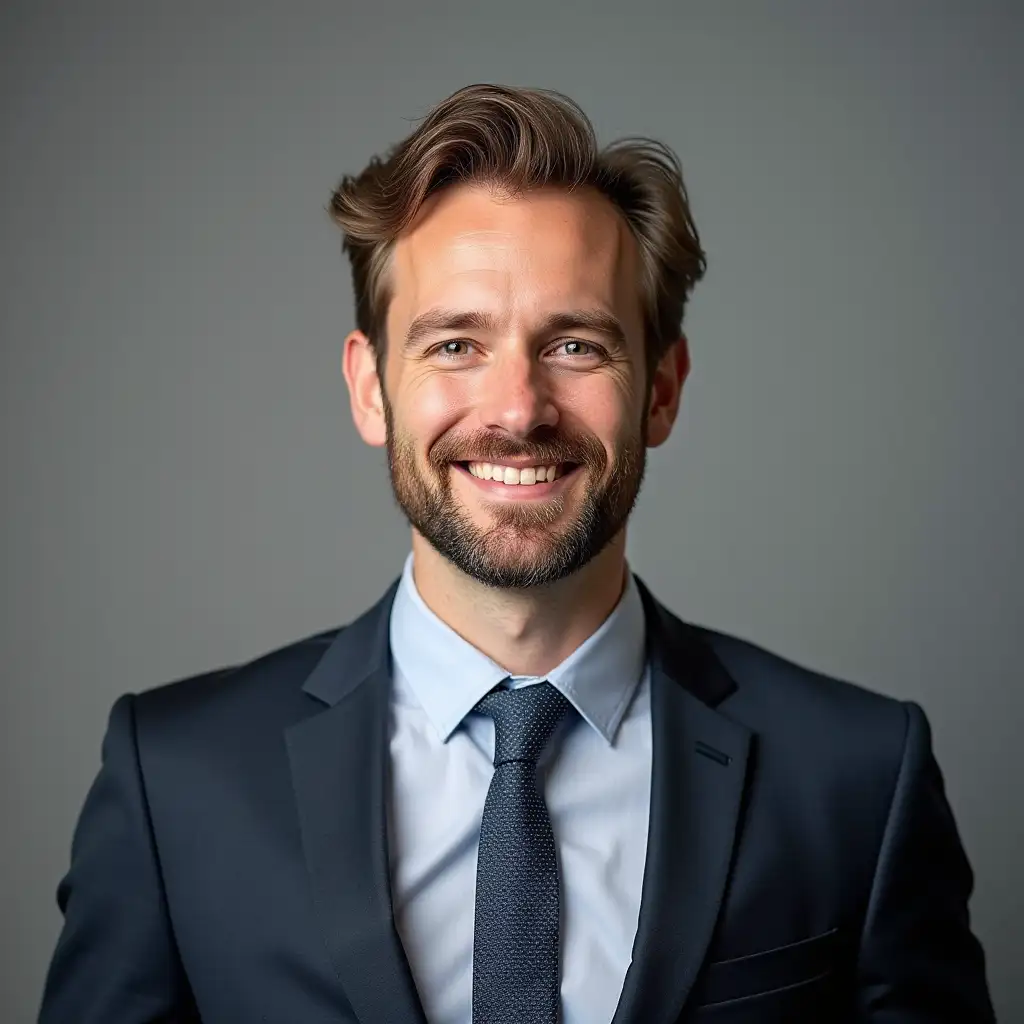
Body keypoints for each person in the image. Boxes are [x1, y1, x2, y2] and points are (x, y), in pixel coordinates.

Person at [39, 83, 995, 1024]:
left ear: (662, 390)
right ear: (371, 389)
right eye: (455, 345)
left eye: (576, 346)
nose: (516, 409)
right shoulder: (175, 780)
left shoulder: (858, 778)